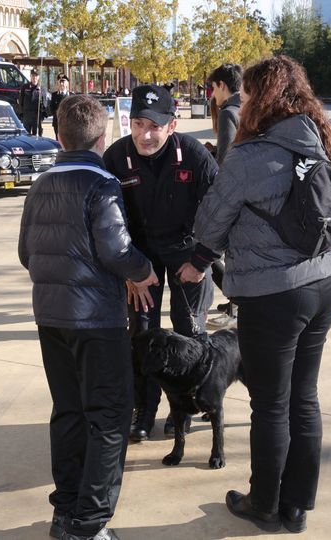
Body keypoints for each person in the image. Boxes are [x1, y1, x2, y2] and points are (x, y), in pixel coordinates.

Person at [181, 55, 331, 534]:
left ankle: (265, 505)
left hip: (273, 295)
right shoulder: (323, 142)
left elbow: (210, 222)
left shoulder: (251, 155)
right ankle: (297, 507)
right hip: (325, 286)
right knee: (304, 398)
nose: (243, 101)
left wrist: (197, 259)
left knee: (271, 404)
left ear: (263, 99)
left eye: (248, 93)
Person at [18, 94, 160, 540]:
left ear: (59, 137)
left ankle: (66, 511)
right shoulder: (102, 183)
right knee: (110, 417)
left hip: (51, 318)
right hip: (95, 321)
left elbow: (27, 253)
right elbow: (116, 249)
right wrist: (143, 270)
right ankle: (89, 523)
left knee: (69, 412)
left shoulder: (40, 185)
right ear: (103, 138)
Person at [102, 84, 220, 442]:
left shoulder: (196, 156)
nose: (145, 134)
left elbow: (223, 211)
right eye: (138, 124)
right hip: (141, 259)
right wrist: (130, 272)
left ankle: (181, 410)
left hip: (188, 253)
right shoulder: (115, 157)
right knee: (142, 336)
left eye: (154, 126)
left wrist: (201, 261)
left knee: (189, 334)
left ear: (172, 125)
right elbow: (106, 223)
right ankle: (144, 410)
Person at [204, 63, 244, 328]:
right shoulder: (249, 107)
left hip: (232, 193)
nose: (212, 95)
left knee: (217, 252)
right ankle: (236, 304)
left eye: (212, 88)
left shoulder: (229, 112)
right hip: (251, 190)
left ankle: (235, 309)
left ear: (221, 85)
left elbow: (226, 158)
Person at [19, 68, 48, 137]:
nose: (34, 78)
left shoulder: (42, 88)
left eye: (36, 76)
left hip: (37, 116)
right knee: (26, 135)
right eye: (33, 76)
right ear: (30, 77)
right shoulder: (25, 87)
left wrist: (42, 115)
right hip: (27, 115)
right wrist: (21, 113)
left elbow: (44, 103)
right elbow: (21, 101)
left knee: (37, 136)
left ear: (38, 77)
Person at [50, 75, 71, 139]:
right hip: (57, 122)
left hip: (68, 123)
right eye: (60, 82)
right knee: (58, 140)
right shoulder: (54, 95)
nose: (61, 84)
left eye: (63, 82)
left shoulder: (71, 95)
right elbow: (51, 108)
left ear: (67, 83)